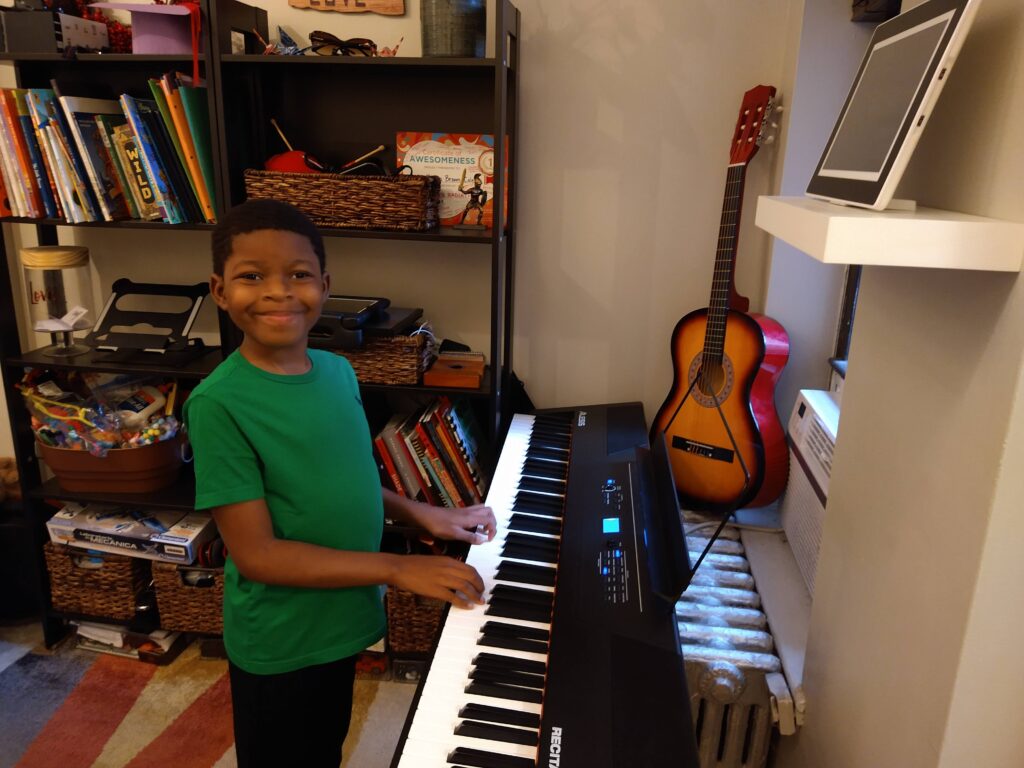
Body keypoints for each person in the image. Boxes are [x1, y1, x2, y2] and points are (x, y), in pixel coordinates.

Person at [183, 199, 497, 768]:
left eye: (298, 275)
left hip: (342, 614)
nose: (279, 292)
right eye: (252, 276)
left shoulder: (338, 371)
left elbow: (340, 481)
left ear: (325, 286)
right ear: (220, 291)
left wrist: (419, 513)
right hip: (281, 638)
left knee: (325, 745)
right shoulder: (217, 405)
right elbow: (258, 555)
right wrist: (399, 568)